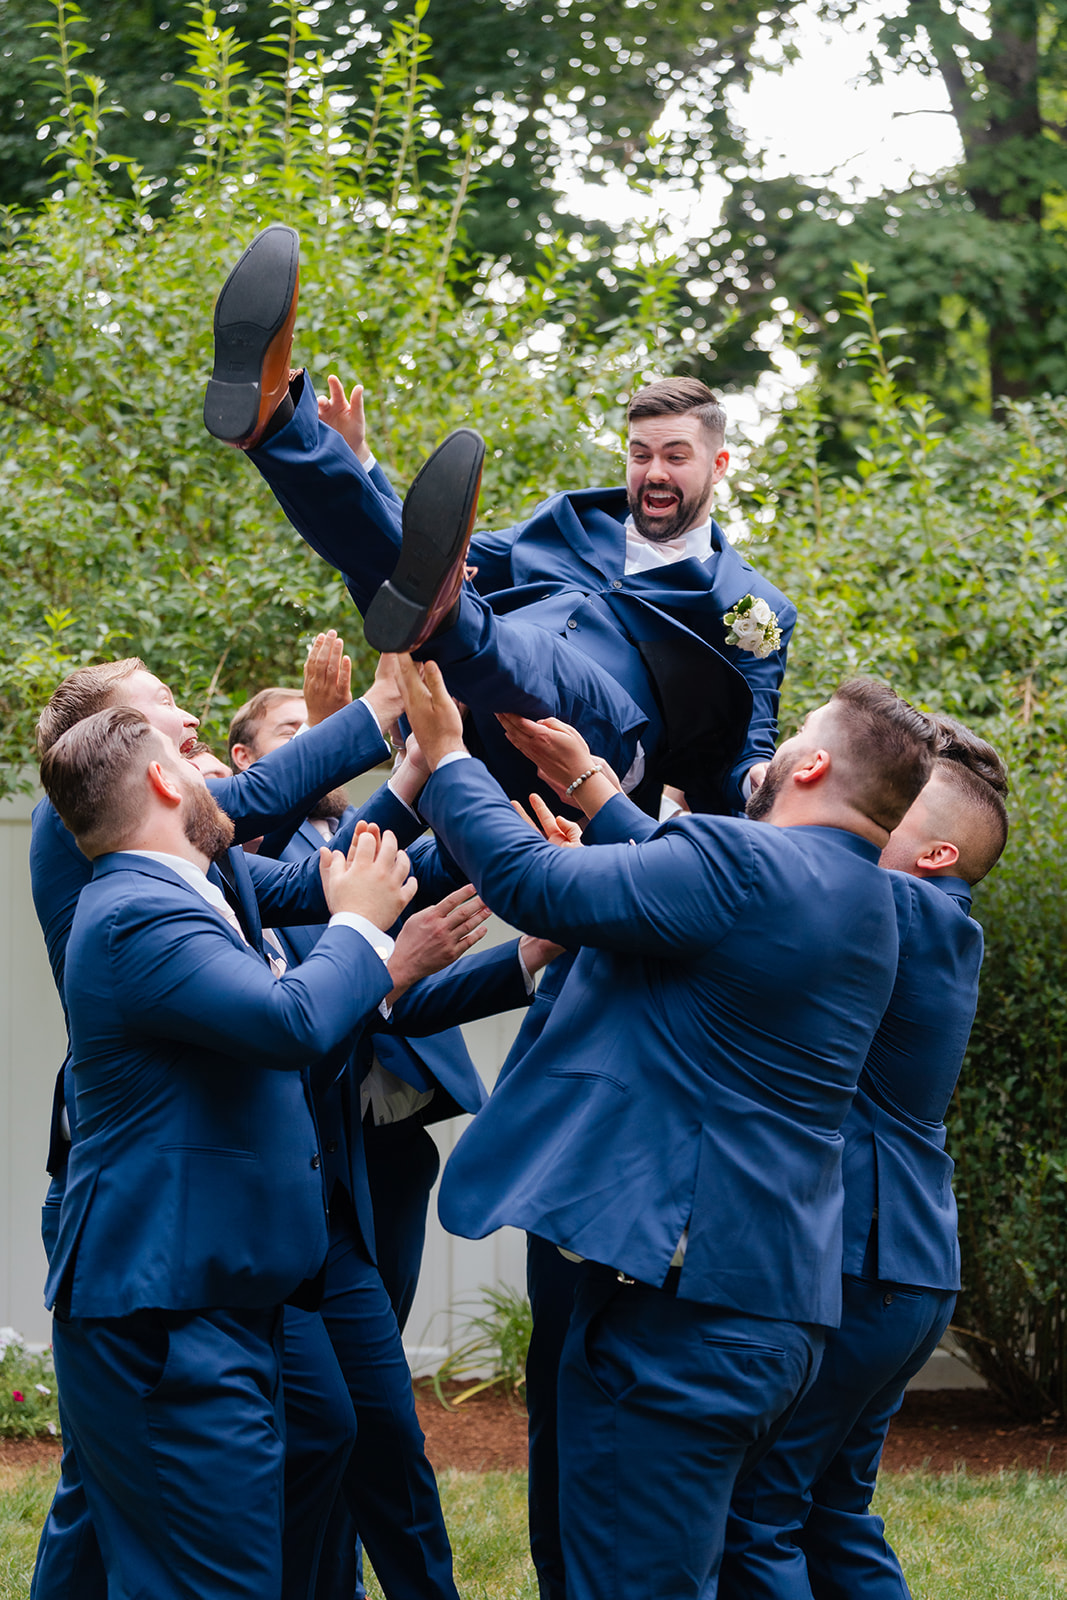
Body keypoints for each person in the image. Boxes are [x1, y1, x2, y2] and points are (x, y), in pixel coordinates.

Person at [394, 654, 938, 1600]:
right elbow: (693, 889)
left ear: (807, 770)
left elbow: (529, 882)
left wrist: (446, 758)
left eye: (794, 740)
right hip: (772, 1305)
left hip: (679, 1322)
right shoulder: (864, 902)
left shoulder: (745, 861)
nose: (772, 757)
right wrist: (590, 786)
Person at [28, 642, 416, 1600]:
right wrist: (363, 933)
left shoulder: (192, 888)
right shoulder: (130, 909)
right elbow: (291, 1021)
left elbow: (324, 884)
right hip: (166, 1299)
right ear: (159, 776)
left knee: (180, 1554)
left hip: (219, 1288)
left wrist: (428, 772)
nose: (203, 747)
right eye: (174, 721)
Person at [203, 223, 796, 817]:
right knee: (431, 583)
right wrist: (360, 462)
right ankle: (271, 422)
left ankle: (295, 443)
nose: (654, 472)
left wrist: (761, 783)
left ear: (718, 464)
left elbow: (746, 748)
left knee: (507, 633)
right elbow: (429, 556)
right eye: (640, 455)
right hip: (472, 707)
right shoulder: (568, 523)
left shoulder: (752, 606)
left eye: (675, 457)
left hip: (600, 753)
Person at [226, 678, 558, 1600]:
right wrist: (385, 964)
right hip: (274, 1200)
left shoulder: (316, 858)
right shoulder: (218, 886)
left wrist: (446, 765)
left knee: (379, 1428)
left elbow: (409, 889)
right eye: (299, 735)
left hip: (363, 1184)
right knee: (321, 1432)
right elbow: (317, 1014)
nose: (321, 746)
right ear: (251, 768)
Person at [718, 718, 1010, 1600]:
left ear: (935, 855)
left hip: (865, 1262)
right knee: (831, 1511)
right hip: (909, 1265)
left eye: (894, 817)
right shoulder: (932, 923)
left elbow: (759, 878)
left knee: (757, 1513)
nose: (868, 823)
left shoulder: (910, 911)